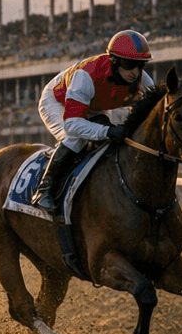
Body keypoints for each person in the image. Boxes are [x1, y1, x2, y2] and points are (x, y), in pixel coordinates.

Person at [32, 29, 158, 213]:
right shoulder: (86, 76)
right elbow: (73, 124)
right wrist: (107, 131)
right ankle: (44, 190)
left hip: (94, 104)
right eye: (129, 64)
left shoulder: (141, 79)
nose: (135, 72)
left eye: (140, 65)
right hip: (57, 100)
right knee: (76, 137)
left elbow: (156, 111)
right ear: (114, 61)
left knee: (108, 140)